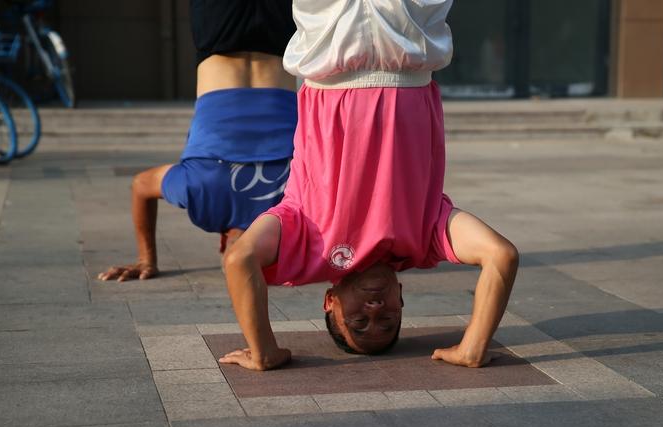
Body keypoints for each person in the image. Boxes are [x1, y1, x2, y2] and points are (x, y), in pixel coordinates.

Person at [220, 0, 519, 371]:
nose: (375, 311)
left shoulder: (304, 246)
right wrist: (473, 347)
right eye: (388, 321)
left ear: (330, 301)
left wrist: (264, 351)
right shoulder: (426, 239)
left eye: (359, 322)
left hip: (333, 35)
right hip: (408, 27)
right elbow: (501, 256)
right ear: (401, 299)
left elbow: (239, 258)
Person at [98, 0, 297, 282]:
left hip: (229, 40)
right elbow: (140, 186)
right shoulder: (289, 214)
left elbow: (140, 185)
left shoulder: (280, 211)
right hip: (272, 43)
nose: (246, 256)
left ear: (223, 246)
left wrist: (147, 260)